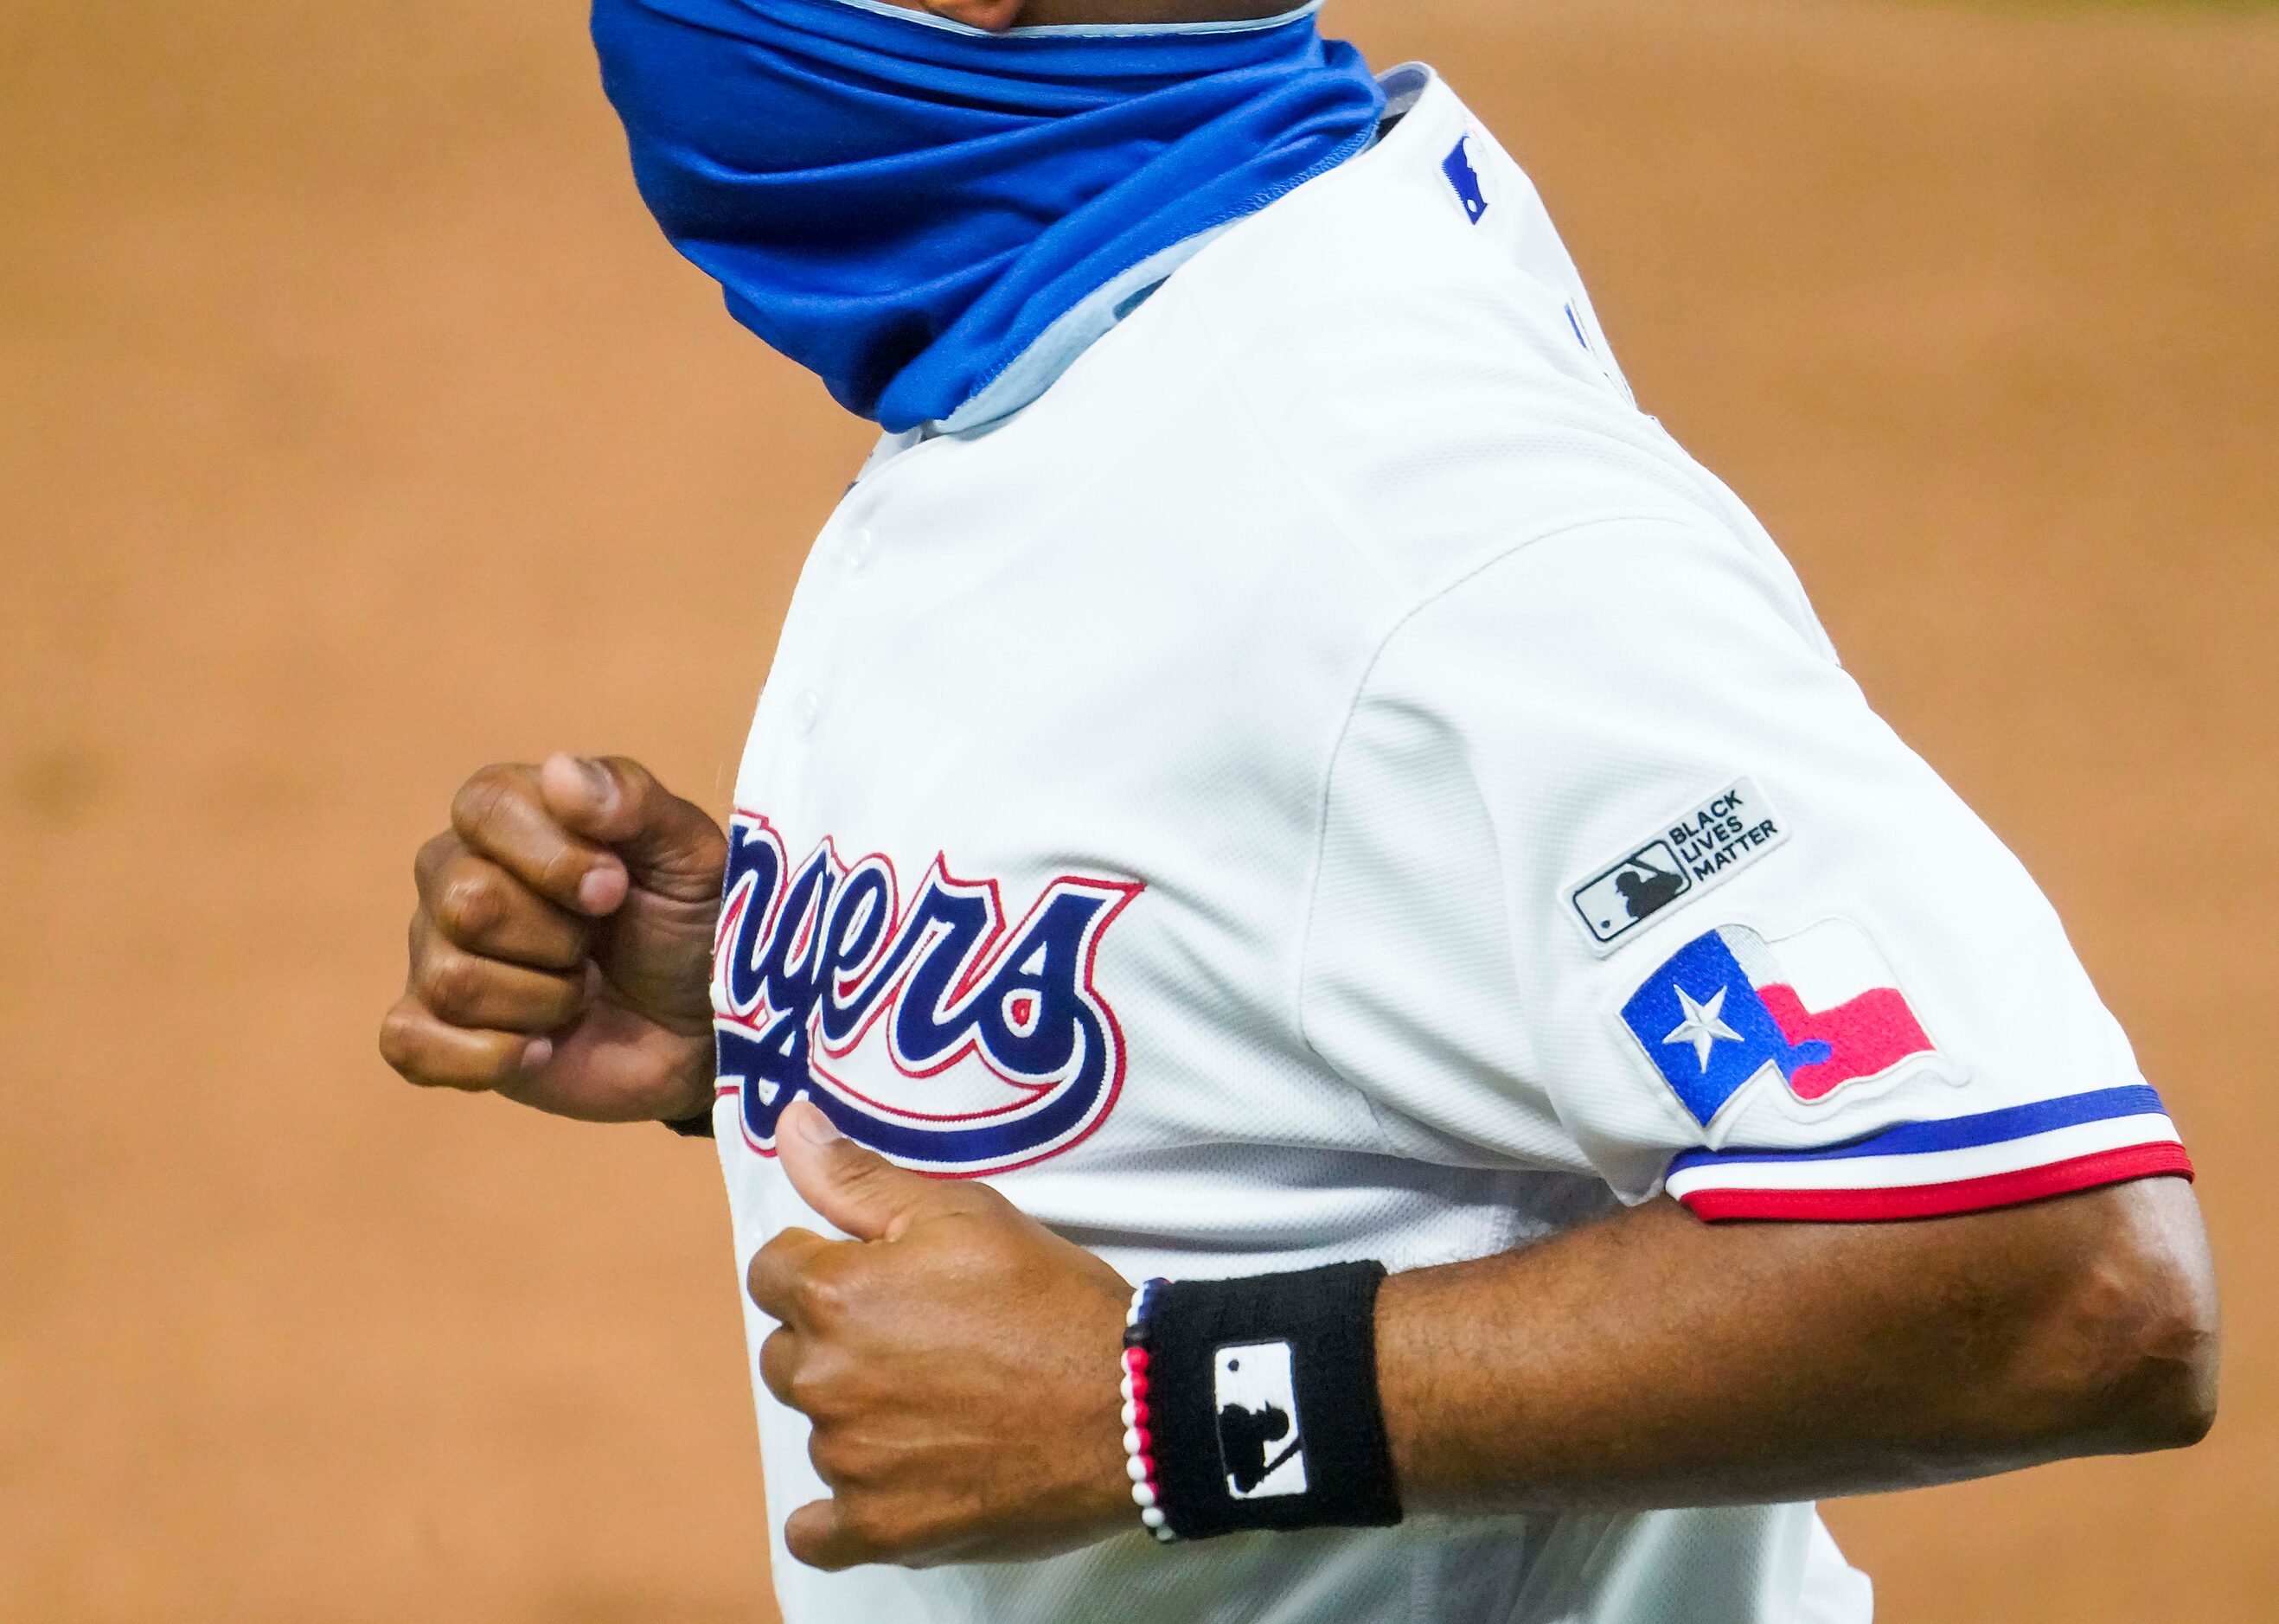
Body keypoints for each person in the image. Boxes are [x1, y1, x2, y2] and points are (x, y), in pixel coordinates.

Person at [378, 2, 2221, 1620]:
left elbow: (2065, 1281)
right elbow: (1328, 941)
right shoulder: (1101, 327)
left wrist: (1158, 1411)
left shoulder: (1397, 494)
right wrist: (796, 1011)